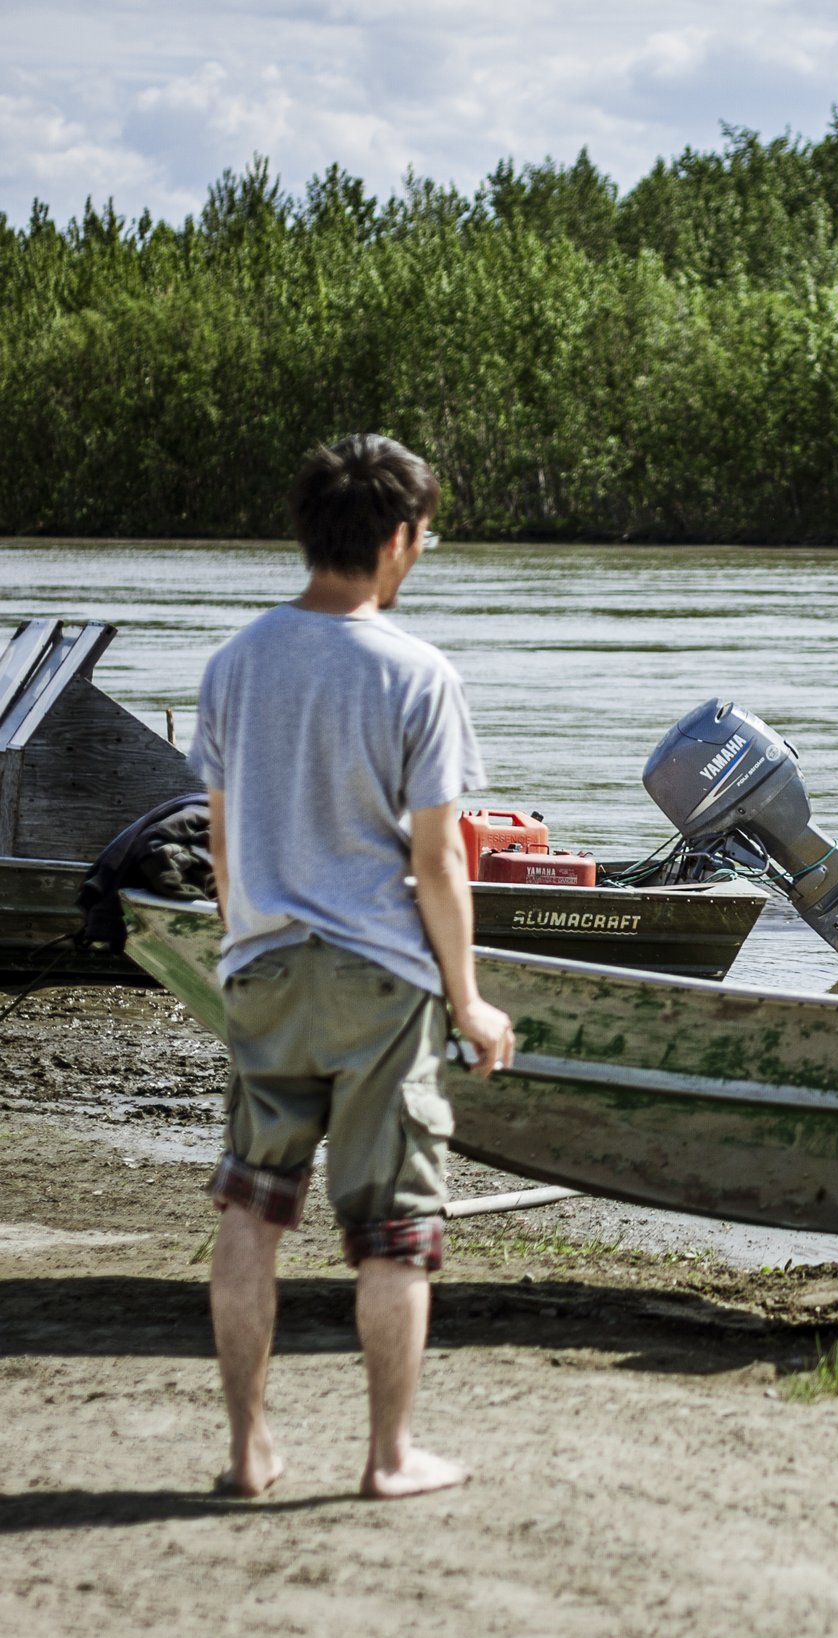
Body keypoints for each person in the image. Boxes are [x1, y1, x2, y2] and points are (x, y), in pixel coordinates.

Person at [192, 434, 516, 1501]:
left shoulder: (234, 661)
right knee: (392, 1228)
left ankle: (249, 1450)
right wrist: (469, 999)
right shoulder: (419, 674)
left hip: (266, 962)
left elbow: (223, 842)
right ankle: (387, 1456)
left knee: (252, 1207)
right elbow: (437, 864)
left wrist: (245, 945)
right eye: (422, 537)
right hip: (381, 979)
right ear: (395, 539)